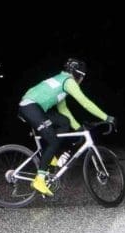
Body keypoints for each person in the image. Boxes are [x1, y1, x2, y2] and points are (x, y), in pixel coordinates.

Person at [18, 59, 110, 197]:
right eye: (83, 77)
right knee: (53, 141)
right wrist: (106, 117)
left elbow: (64, 111)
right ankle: (40, 180)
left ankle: (51, 156)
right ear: (79, 75)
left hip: (34, 106)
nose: (82, 80)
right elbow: (85, 103)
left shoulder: (61, 80)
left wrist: (78, 128)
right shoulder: (69, 82)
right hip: (30, 107)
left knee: (64, 122)